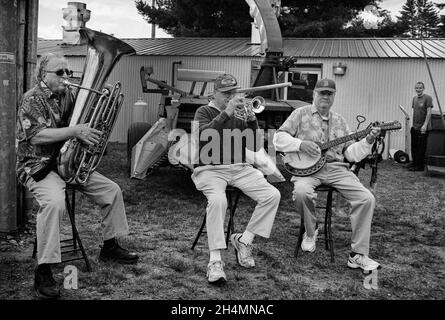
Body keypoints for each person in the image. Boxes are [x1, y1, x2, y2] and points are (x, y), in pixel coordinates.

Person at [16, 53, 139, 299]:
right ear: (43, 75)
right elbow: (37, 136)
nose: (66, 77)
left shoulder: (69, 94)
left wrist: (102, 104)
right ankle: (44, 270)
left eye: (67, 72)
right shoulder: (32, 99)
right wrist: (75, 131)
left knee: (111, 190)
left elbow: (85, 120)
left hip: (66, 163)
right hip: (38, 165)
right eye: (59, 73)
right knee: (53, 203)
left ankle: (110, 246)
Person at [273, 78, 381, 272]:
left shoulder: (340, 120)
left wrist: (368, 141)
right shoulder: (300, 114)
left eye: (329, 93)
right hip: (307, 170)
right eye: (322, 92)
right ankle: (311, 229)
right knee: (302, 193)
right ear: (314, 94)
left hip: (336, 169)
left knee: (366, 198)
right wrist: (300, 144)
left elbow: (350, 154)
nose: (325, 96)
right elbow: (278, 138)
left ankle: (358, 255)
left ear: (334, 97)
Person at [191, 74, 281, 285]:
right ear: (214, 93)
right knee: (218, 201)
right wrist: (226, 112)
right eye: (226, 94)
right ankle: (215, 260)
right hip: (210, 168)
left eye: (233, 93)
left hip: (239, 167)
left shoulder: (241, 114)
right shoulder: (203, 111)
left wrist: (252, 121)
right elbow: (202, 137)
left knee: (272, 195)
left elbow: (254, 146)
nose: (230, 97)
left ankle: (244, 240)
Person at [408, 81, 434, 171]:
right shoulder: (414, 98)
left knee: (421, 148)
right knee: (414, 146)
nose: (418, 89)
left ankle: (419, 166)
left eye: (420, 88)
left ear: (423, 88)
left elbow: (429, 112)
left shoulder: (428, 98)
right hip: (415, 127)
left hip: (423, 128)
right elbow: (414, 112)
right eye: (417, 88)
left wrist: (425, 125)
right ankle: (414, 163)